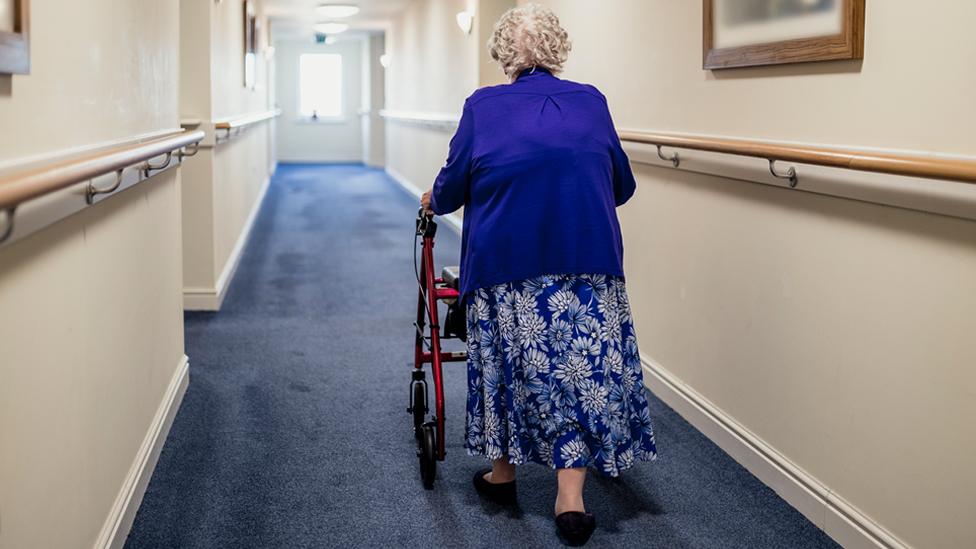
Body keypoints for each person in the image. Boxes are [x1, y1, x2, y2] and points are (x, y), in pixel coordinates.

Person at [421, 4, 657, 546]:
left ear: (505, 55)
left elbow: (453, 187)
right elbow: (621, 184)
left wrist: (437, 196)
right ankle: (570, 499)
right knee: (578, 372)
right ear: (557, 48)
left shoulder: (483, 106)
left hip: (508, 265)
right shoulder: (592, 101)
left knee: (509, 360)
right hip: (587, 261)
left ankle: (503, 474)